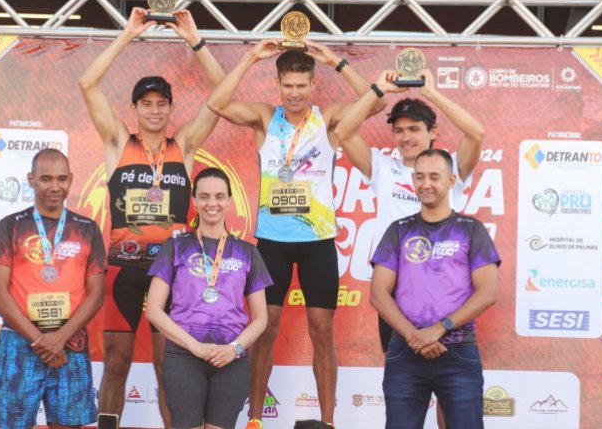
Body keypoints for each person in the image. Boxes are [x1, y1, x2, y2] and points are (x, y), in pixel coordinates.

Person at [206, 39, 384, 428]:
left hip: (318, 243)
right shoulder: (265, 119)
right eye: (288, 84)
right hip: (272, 244)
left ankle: (328, 422)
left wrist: (333, 59)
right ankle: (255, 419)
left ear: (313, 84)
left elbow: (377, 102)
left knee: (322, 331)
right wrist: (252, 56)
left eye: (302, 84)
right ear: (278, 83)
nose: (295, 92)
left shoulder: (331, 119)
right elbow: (217, 104)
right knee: (264, 330)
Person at [79, 7, 226, 428]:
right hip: (123, 266)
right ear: (136, 107)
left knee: (169, 368)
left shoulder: (186, 145)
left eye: (162, 104)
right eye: (147, 104)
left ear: (170, 108)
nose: (155, 111)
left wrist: (193, 39)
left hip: (173, 272)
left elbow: (222, 90)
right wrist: (128, 35)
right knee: (117, 363)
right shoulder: (116, 143)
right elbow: (88, 83)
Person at [335, 69, 484, 427]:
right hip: (397, 299)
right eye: (399, 130)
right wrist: (379, 88)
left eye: (415, 129)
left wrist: (432, 92)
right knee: (408, 387)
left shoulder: (448, 171)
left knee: (452, 394)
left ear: (433, 132)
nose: (405, 137)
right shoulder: (383, 168)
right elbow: (342, 132)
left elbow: (476, 133)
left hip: (448, 294)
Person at [370, 149, 500, 429]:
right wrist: (414, 336)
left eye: (434, 177)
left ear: (451, 180)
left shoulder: (471, 230)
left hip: (458, 353)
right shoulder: (398, 230)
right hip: (405, 352)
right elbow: (378, 293)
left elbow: (488, 292)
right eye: (419, 177)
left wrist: (439, 328)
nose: (425, 184)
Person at [0, 149, 106, 429]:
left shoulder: (87, 229)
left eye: (62, 179)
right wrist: (42, 340)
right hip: (19, 342)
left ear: (71, 180)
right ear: (31, 179)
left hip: (70, 343)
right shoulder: (10, 227)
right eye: (46, 179)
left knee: (69, 424)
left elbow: (96, 293)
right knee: (11, 424)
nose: (55, 186)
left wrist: (60, 337)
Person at [146, 167, 272, 429]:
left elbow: (261, 319)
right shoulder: (175, 247)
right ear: (194, 201)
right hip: (184, 357)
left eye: (219, 196)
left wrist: (234, 349)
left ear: (229, 201)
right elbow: (154, 311)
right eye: (204, 196)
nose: (211, 203)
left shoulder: (248, 252)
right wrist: (194, 347)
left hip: (232, 360)